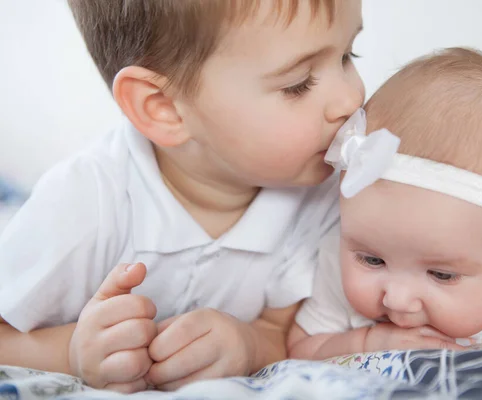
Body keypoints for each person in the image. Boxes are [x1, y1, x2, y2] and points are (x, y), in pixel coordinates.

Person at [0, 0, 366, 392]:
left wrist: (249, 344)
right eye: (298, 83)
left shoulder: (323, 196)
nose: (351, 98)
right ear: (163, 108)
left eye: (348, 55)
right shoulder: (81, 204)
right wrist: (69, 353)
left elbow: (285, 332)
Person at [288, 48, 482, 360]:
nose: (397, 299)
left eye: (441, 275)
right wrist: (365, 342)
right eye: (372, 261)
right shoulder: (336, 255)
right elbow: (301, 348)